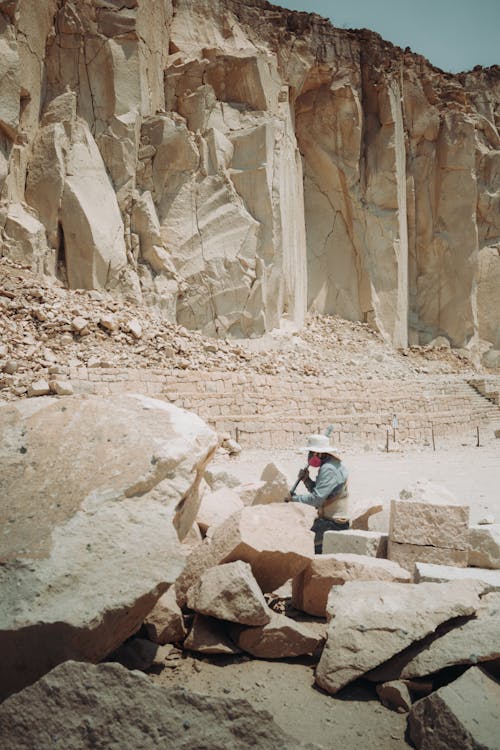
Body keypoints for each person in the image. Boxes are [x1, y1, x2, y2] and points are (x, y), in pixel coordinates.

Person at [285, 434, 350, 553]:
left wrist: (293, 499)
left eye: (311, 452)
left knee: (300, 543)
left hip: (335, 525)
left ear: (319, 453)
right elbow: (321, 492)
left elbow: (316, 499)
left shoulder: (328, 469)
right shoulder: (330, 464)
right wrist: (307, 480)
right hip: (328, 520)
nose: (309, 456)